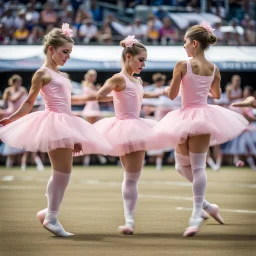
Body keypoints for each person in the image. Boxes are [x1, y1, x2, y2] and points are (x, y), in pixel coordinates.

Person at [0, 23, 112, 237]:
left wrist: (74, 135)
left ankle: (48, 213)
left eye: (70, 52)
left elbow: (68, 103)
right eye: (65, 51)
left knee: (63, 172)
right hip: (52, 122)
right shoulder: (41, 73)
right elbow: (28, 102)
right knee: (62, 173)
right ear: (51, 49)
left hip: (66, 122)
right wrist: (11, 119)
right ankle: (51, 216)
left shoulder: (63, 75)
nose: (68, 56)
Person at [152, 21, 248, 237]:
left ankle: (196, 214)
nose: (183, 46)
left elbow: (173, 94)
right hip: (202, 115)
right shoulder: (214, 68)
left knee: (195, 168)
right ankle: (206, 206)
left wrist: (167, 89)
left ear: (194, 43)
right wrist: (213, 82)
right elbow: (216, 95)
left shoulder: (182, 65)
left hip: (187, 115)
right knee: (185, 166)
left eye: (185, 42)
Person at [80, 35, 162, 235]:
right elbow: (100, 95)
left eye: (145, 60)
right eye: (141, 59)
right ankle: (129, 220)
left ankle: (129, 219)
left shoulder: (137, 79)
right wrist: (114, 93)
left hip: (136, 125)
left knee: (132, 175)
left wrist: (160, 92)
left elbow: (138, 94)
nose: (144, 63)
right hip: (124, 126)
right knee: (132, 176)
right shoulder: (119, 78)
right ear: (128, 57)